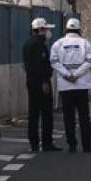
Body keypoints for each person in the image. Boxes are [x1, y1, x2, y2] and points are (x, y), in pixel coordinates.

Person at [51, 17, 91, 153]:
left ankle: (72, 145)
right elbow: (89, 61)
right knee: (84, 117)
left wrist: (66, 74)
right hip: (81, 85)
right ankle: (86, 146)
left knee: (68, 117)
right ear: (79, 29)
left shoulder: (58, 44)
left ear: (66, 29)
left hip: (65, 86)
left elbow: (54, 61)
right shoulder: (85, 43)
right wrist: (76, 74)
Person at [22, 18, 61, 152]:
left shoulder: (27, 44)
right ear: (39, 30)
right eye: (45, 29)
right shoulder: (39, 45)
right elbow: (40, 65)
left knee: (33, 113)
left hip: (31, 82)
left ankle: (34, 143)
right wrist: (45, 81)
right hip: (41, 83)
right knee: (46, 113)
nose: (47, 32)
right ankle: (46, 143)